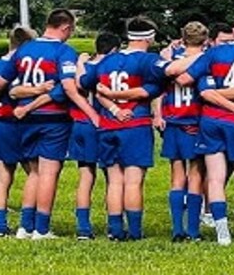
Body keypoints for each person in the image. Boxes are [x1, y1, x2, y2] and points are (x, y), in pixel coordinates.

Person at [177, 14, 234, 245]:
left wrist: (214, 94)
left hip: (210, 121)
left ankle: (223, 233)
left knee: (215, 179)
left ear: (233, 29)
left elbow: (186, 79)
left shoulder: (213, 53)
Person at [3, 9, 82, 240]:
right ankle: (42, 228)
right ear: (66, 28)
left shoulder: (24, 49)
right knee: (49, 172)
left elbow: (5, 83)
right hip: (53, 117)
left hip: (26, 119)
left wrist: (26, 98)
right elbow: (67, 87)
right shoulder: (63, 51)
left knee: (34, 173)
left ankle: (24, 226)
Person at [83, 17, 164, 241]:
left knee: (114, 179)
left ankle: (115, 229)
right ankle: (135, 231)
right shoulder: (148, 60)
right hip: (135, 124)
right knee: (133, 180)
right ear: (149, 37)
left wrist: (109, 102)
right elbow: (162, 78)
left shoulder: (108, 60)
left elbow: (86, 80)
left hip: (108, 124)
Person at [155, 21, 209, 242]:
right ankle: (193, 230)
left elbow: (159, 91)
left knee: (176, 176)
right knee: (196, 175)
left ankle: (178, 229)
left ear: (183, 38)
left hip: (171, 119)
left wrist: (157, 115)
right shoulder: (205, 61)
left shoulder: (170, 61)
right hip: (193, 121)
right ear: (205, 40)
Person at [0, 26, 37, 238]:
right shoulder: (21, 66)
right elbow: (6, 88)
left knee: (2, 176)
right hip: (14, 122)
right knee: (35, 173)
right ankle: (27, 224)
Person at [68, 33, 114, 240]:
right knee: (113, 177)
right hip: (101, 123)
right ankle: (114, 225)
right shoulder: (109, 68)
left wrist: (80, 62)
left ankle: (83, 227)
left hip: (78, 123)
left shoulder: (84, 66)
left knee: (86, 176)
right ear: (113, 50)